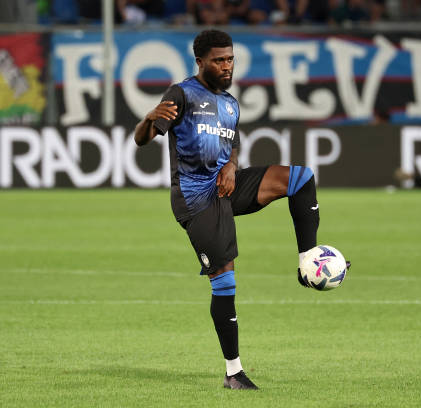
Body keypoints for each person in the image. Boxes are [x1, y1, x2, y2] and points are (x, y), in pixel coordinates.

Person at [134, 29, 348, 390]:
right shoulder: (181, 94)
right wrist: (147, 119)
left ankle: (307, 262)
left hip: (226, 186)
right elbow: (143, 139)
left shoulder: (231, 104)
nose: (227, 66)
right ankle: (233, 372)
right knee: (225, 280)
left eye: (230, 59)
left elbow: (231, 144)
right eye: (219, 60)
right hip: (195, 199)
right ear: (200, 62)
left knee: (300, 178)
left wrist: (232, 166)